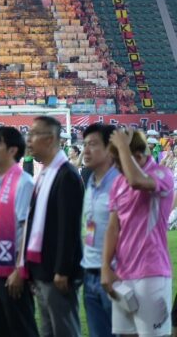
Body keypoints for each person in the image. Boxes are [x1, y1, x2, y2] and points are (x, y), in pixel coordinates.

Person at [101, 127, 174, 337]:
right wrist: (106, 266)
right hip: (122, 274)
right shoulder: (117, 183)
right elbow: (113, 227)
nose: (116, 167)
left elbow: (137, 181)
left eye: (119, 161)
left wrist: (123, 146)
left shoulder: (162, 174)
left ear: (139, 156)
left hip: (152, 273)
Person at [24, 115, 83, 337]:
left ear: (49, 139)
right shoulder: (46, 173)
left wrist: (62, 270)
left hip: (57, 273)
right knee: (48, 330)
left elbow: (68, 229)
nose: (28, 140)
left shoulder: (66, 175)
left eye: (33, 134)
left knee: (64, 330)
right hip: (42, 269)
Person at [0, 126, 37, 337]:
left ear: (12, 150)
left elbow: (26, 229)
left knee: (21, 328)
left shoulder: (24, 182)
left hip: (13, 269)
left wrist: (20, 271)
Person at [79, 123, 119, 337]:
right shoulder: (91, 182)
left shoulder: (121, 183)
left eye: (93, 144)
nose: (86, 150)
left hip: (115, 274)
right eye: (84, 144)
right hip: (90, 273)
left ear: (110, 149)